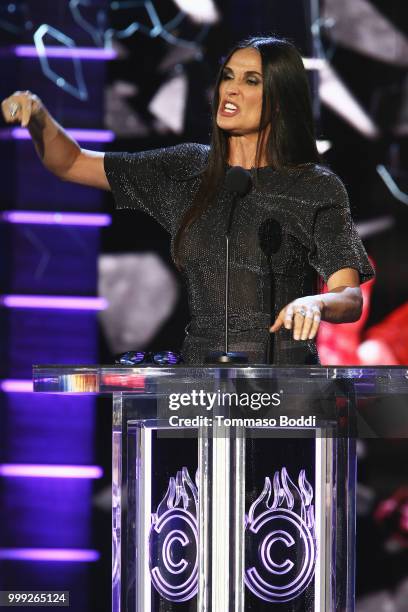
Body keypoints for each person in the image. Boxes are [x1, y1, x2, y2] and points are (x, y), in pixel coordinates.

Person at [1, 36, 374, 365]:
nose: (230, 90)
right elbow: (71, 162)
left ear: (280, 101)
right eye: (227, 76)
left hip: (285, 387)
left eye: (251, 81)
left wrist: (316, 303)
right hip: (201, 387)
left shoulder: (314, 187)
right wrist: (38, 117)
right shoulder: (185, 170)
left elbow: (349, 297)